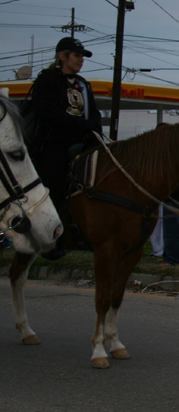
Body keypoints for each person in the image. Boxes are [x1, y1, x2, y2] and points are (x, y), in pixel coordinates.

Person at [31, 37, 102, 260]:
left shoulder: (83, 84)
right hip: (55, 143)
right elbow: (48, 113)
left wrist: (95, 130)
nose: (81, 60)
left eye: (82, 56)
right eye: (77, 55)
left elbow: (95, 113)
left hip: (83, 141)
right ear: (62, 56)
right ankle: (49, 240)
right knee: (52, 188)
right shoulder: (47, 80)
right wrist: (80, 124)